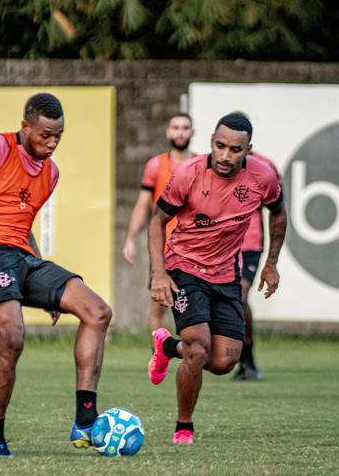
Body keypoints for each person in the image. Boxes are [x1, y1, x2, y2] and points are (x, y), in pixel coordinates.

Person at [0, 93, 113, 457]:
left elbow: (22, 223)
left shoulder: (51, 171)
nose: (52, 143)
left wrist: (45, 281)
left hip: (22, 258)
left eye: (58, 135)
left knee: (98, 311)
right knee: (13, 337)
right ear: (26, 125)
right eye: (45, 134)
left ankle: (85, 422)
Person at [146, 112, 286, 445]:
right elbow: (157, 222)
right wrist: (159, 272)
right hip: (184, 267)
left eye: (235, 149)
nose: (225, 155)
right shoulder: (188, 174)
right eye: (220, 146)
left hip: (226, 274)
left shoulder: (262, 177)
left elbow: (279, 213)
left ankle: (166, 346)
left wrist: (271, 263)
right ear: (210, 141)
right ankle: (183, 427)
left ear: (248, 149)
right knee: (197, 347)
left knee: (224, 361)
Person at [122, 113, 195, 333]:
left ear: (192, 132)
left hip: (194, 248)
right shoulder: (155, 165)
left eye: (184, 127)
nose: (180, 132)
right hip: (163, 247)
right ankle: (159, 361)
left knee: (194, 308)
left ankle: (192, 358)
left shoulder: (201, 165)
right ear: (168, 132)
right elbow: (142, 205)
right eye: (175, 127)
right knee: (159, 306)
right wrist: (130, 239)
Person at [233, 150, 281, 381]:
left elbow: (277, 206)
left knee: (240, 296)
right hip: (221, 245)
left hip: (250, 243)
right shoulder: (212, 166)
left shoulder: (264, 166)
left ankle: (247, 358)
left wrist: (272, 260)